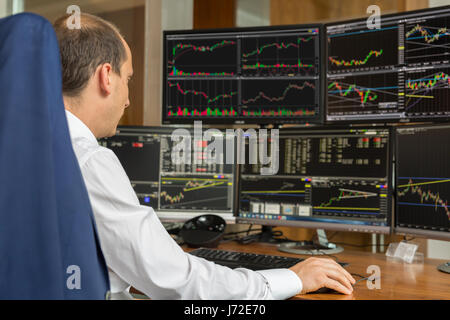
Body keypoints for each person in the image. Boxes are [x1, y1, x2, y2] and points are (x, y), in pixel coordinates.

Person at [53, 13, 355, 300]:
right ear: (107, 76)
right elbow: (178, 283)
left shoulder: (34, 150)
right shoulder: (89, 160)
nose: (128, 99)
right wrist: (293, 278)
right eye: (128, 79)